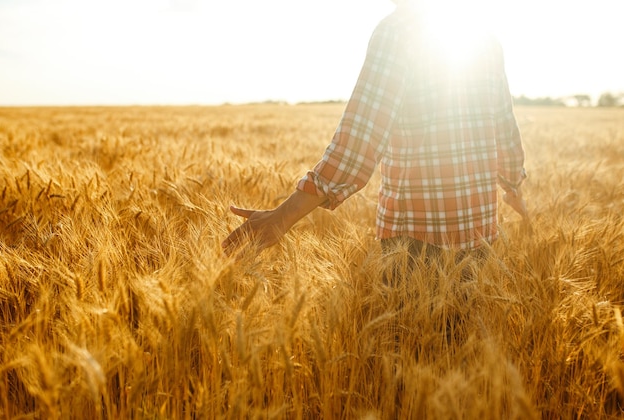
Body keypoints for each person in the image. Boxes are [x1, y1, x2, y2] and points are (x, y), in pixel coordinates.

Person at [221, 0, 527, 266]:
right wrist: (513, 186)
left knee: (406, 335)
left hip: (415, 245)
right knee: (464, 333)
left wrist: (282, 217)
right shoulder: (484, 37)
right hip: (481, 235)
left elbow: (360, 138)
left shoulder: (397, 32)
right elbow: (504, 127)